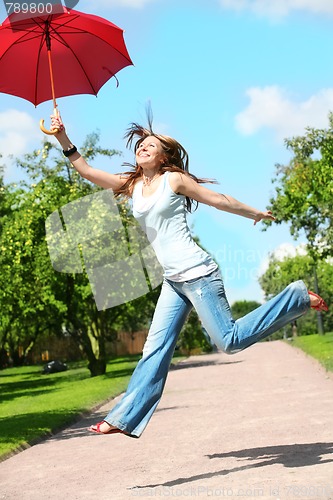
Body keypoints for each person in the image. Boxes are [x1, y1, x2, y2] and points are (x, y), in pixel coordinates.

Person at [50, 113, 328, 438]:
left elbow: (217, 200)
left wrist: (253, 212)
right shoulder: (133, 185)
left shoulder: (174, 181)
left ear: (163, 156)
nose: (142, 147)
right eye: (140, 144)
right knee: (154, 348)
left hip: (198, 274)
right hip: (173, 281)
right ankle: (123, 418)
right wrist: (62, 137)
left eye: (150, 145)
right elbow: (87, 171)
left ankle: (295, 297)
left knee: (229, 341)